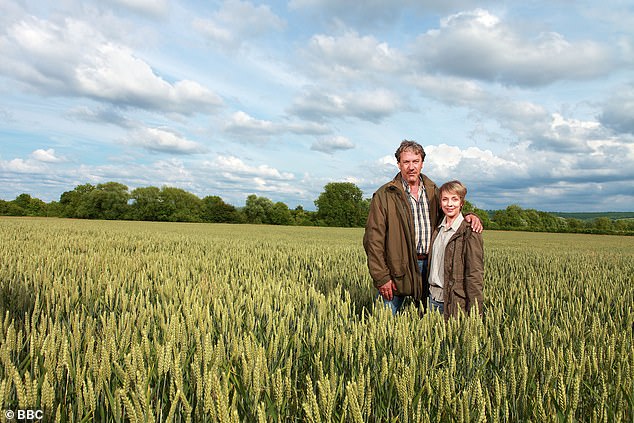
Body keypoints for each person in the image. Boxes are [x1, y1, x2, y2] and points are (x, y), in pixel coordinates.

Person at [363, 140, 482, 314]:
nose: (411, 167)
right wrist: (381, 277)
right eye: (406, 162)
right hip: (398, 268)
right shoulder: (384, 195)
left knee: (429, 322)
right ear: (399, 164)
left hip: (432, 266)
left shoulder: (434, 191)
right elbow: (373, 240)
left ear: (422, 163)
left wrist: (469, 216)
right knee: (384, 320)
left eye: (415, 161)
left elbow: (449, 209)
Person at [427, 180, 484, 318]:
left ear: (462, 203)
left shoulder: (470, 232)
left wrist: (476, 312)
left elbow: (474, 274)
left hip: (453, 302)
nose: (450, 204)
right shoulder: (437, 229)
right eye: (445, 199)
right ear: (440, 204)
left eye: (455, 199)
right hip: (432, 299)